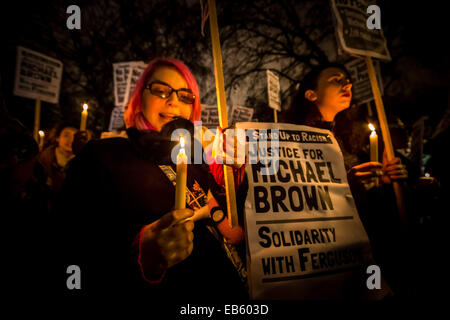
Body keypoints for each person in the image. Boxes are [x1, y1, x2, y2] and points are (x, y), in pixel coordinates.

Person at [57, 58, 248, 301]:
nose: (173, 101)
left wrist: (239, 178)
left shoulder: (195, 159)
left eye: (185, 95)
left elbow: (221, 209)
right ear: (139, 98)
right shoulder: (104, 156)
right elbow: (72, 251)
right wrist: (142, 255)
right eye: (160, 90)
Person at [281, 63, 411, 297]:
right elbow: (299, 202)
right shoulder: (293, 140)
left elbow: (359, 207)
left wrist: (383, 182)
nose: (347, 83)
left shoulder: (339, 138)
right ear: (311, 94)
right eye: (335, 79)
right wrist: (346, 183)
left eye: (347, 79)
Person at [37, 124, 77, 193]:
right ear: (58, 138)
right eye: (66, 135)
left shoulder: (82, 162)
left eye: (74, 136)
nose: (71, 140)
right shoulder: (45, 158)